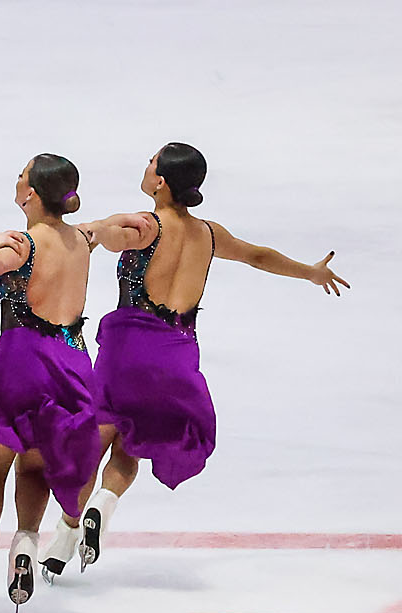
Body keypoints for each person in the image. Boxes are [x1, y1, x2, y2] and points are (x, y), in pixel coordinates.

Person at [53, 143, 350, 571]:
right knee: (136, 443)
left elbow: (103, 236)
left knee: (97, 438)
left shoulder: (145, 226)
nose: (145, 165)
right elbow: (257, 255)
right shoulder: (209, 234)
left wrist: (85, 232)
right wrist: (310, 271)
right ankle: (104, 502)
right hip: (175, 353)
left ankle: (64, 538)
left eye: (150, 162)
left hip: (128, 346)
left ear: (160, 182)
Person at [0, 154, 97, 613]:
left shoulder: (23, 245)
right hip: (72, 364)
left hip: (23, 360)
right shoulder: (81, 241)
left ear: (30, 193)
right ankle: (26, 543)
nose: (16, 180)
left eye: (21, 175)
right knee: (35, 463)